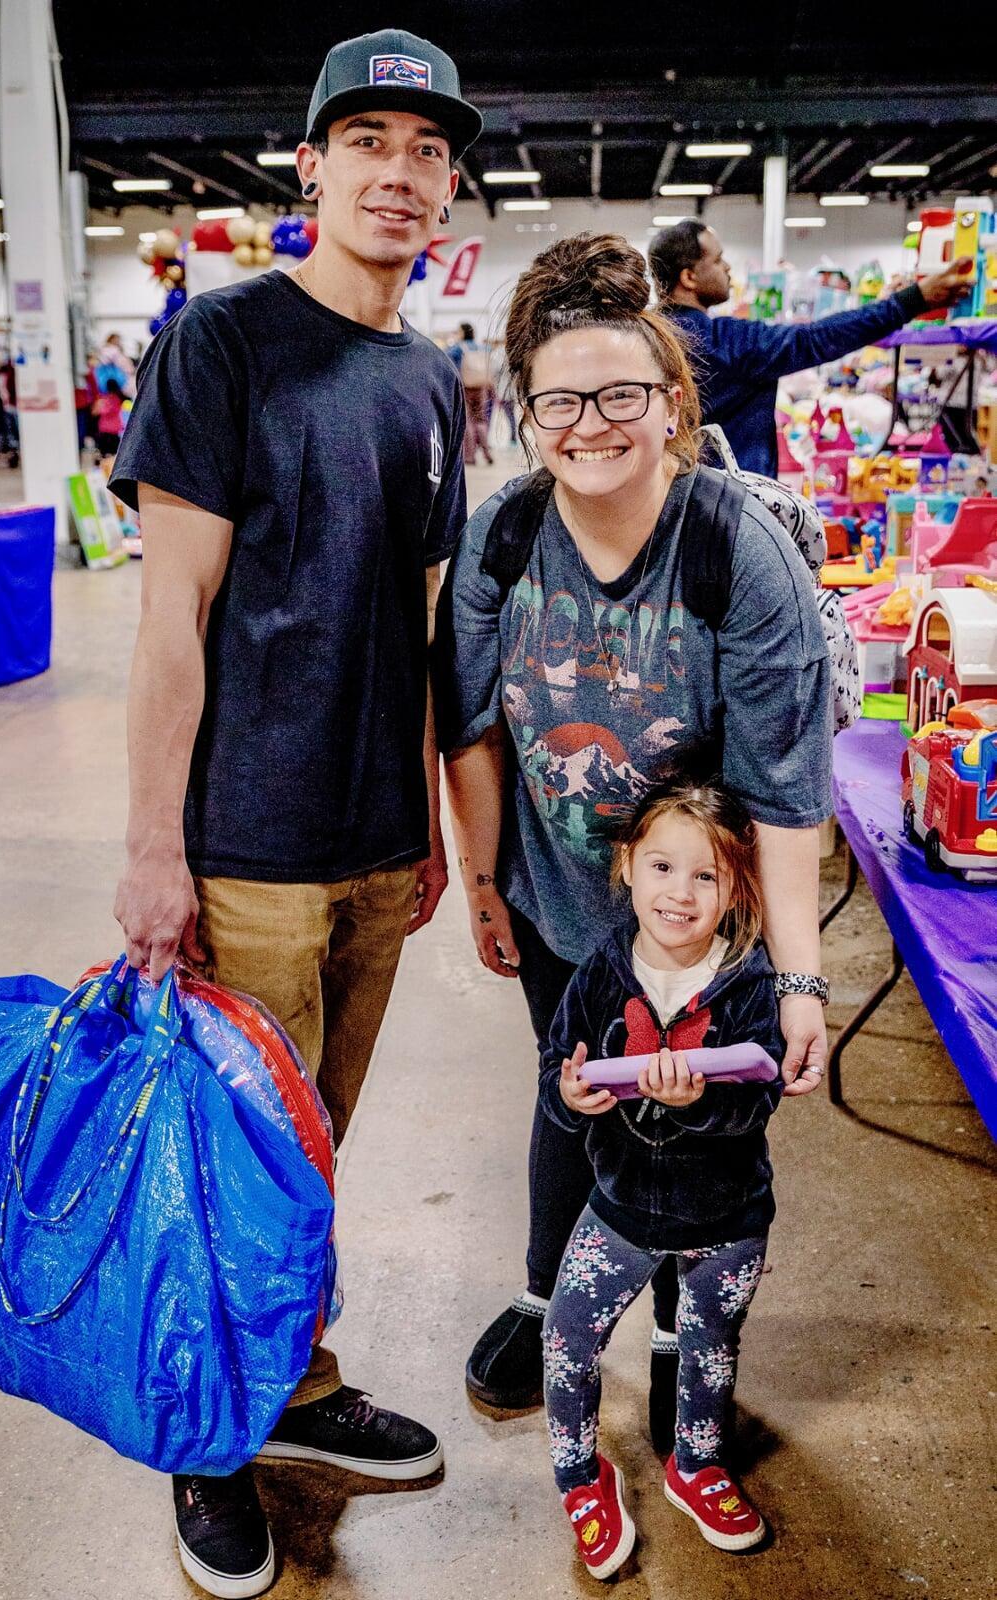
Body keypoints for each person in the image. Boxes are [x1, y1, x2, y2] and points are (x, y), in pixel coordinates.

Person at [108, 27, 481, 1599]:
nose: (397, 173)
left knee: (311, 1150)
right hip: (243, 844)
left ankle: (300, 1380)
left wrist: (435, 839)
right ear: (311, 165)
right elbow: (172, 617)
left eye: (426, 151)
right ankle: (210, 1439)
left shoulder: (429, 375)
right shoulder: (222, 343)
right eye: (369, 142)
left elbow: (419, 613)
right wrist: (147, 848)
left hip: (371, 845)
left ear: (449, 188)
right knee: (231, 1157)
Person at [437, 233, 833, 1429]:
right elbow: (470, 733)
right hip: (560, 894)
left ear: (671, 402)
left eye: (622, 394)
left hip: (705, 912)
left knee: (700, 1116)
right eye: (559, 398)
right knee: (574, 1092)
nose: (592, 423)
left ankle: (675, 1330)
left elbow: (787, 784)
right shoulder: (502, 544)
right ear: (525, 413)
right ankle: (541, 1285)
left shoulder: (733, 551)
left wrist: (801, 974)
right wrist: (481, 883)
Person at [541, 778, 781, 1580]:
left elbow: (762, 1093)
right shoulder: (601, 972)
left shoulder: (750, 980)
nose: (679, 894)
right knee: (569, 1337)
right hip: (618, 1212)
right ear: (626, 868)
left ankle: (697, 1462)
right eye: (662, 868)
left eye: (706, 876)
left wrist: (695, 1106)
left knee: (711, 1348)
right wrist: (570, 1096)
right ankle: (582, 1476)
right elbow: (559, 1068)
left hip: (728, 1220)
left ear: (736, 887)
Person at [648, 218, 974, 476]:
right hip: (727, 509)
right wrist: (912, 300)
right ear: (689, 277)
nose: (728, 268)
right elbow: (818, 339)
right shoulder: (730, 343)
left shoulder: (644, 339)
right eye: (718, 260)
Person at [450, 320, 494, 464]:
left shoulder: (458, 348)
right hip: (481, 388)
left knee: (467, 421)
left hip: (465, 388)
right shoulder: (483, 348)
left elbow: (445, 359)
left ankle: (469, 456)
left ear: (462, 332)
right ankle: (487, 453)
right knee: (481, 420)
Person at [93, 376, 125, 460]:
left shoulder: (107, 399)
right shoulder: (119, 398)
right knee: (115, 454)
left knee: (104, 454)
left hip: (106, 430)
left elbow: (98, 411)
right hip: (114, 429)